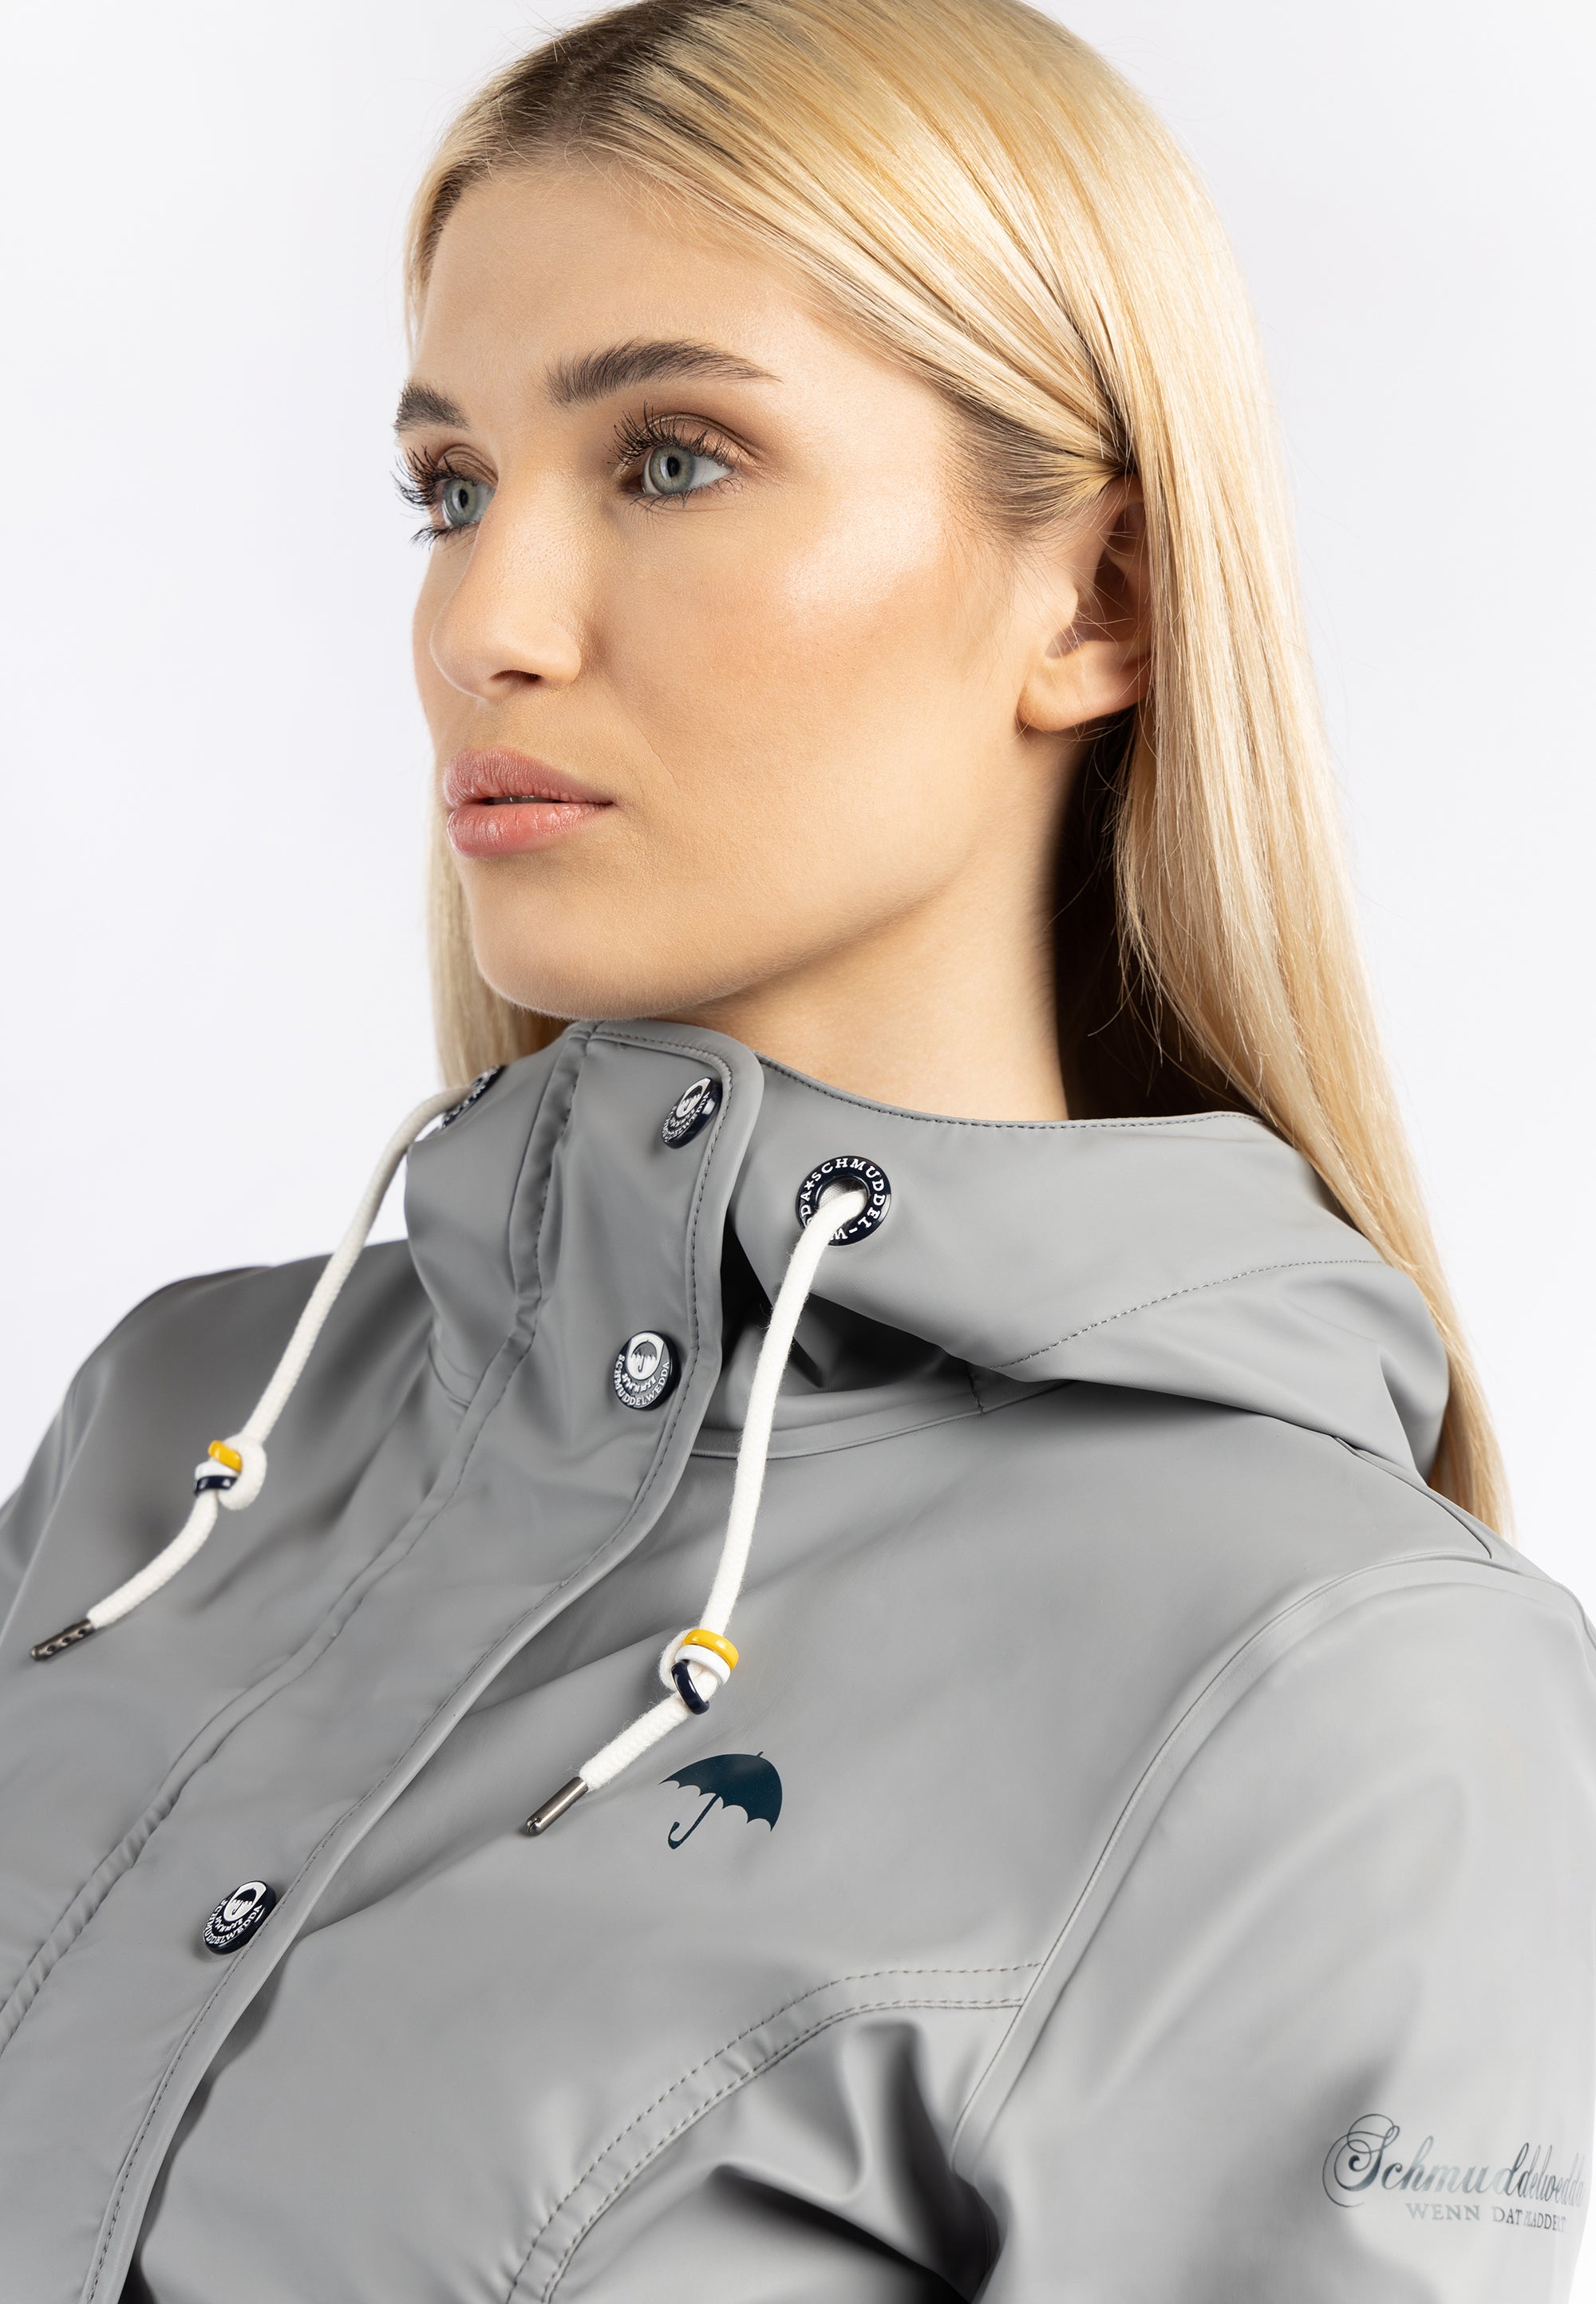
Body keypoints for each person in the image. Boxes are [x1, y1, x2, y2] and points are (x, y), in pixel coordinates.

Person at [2, 0, 1593, 2295]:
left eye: (671, 459)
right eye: (450, 487)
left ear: (1098, 601)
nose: (481, 623)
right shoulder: (178, 1434)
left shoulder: (1334, 1683)